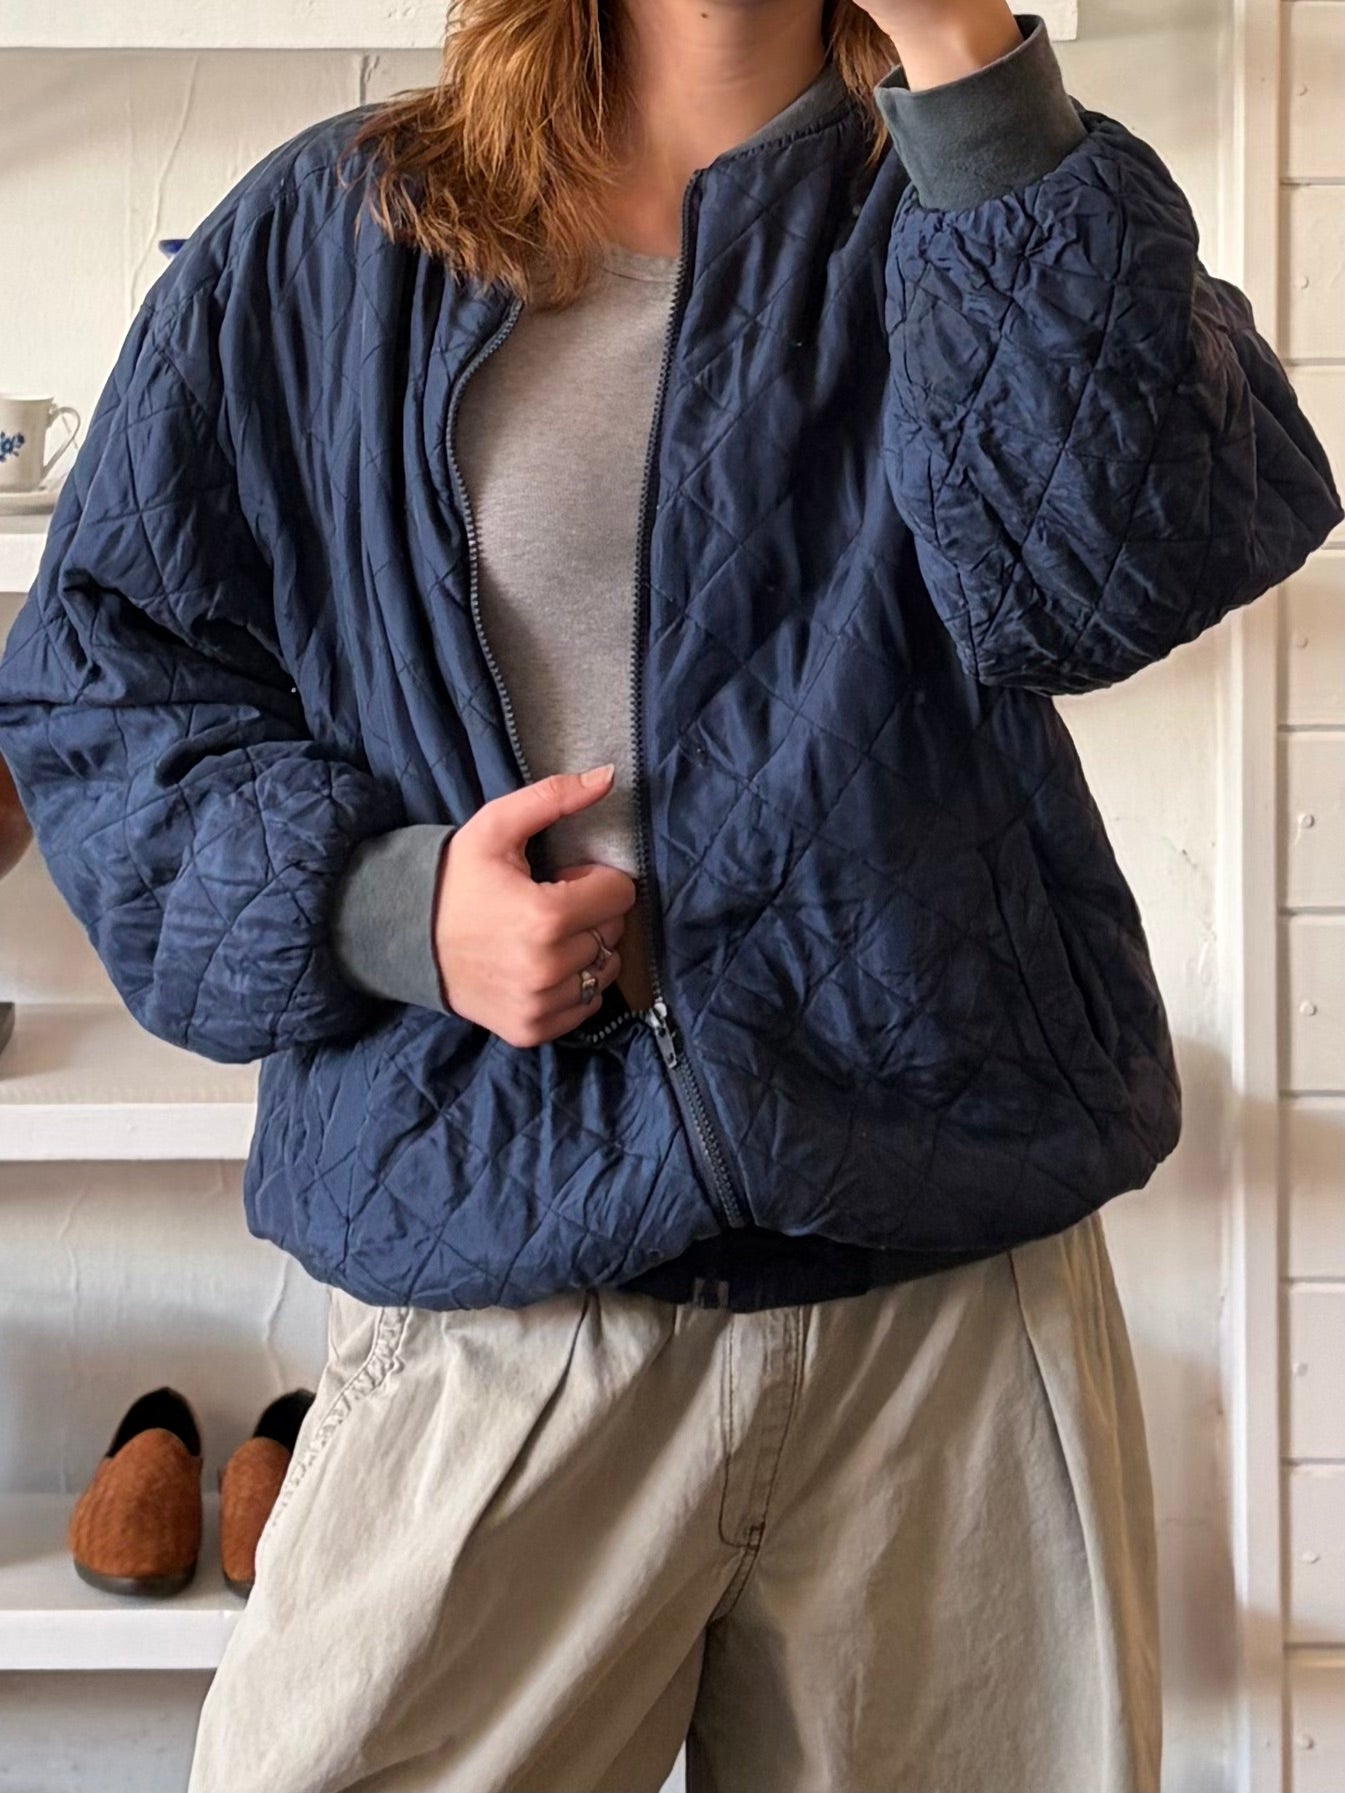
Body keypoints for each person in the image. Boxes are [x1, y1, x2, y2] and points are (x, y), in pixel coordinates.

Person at [1, 0, 1339, 1787]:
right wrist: (395, 907)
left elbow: (1109, 580)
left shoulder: (989, 183)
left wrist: (966, 56)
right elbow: (107, 687)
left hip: (942, 1299)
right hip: (498, 1279)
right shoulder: (339, 228)